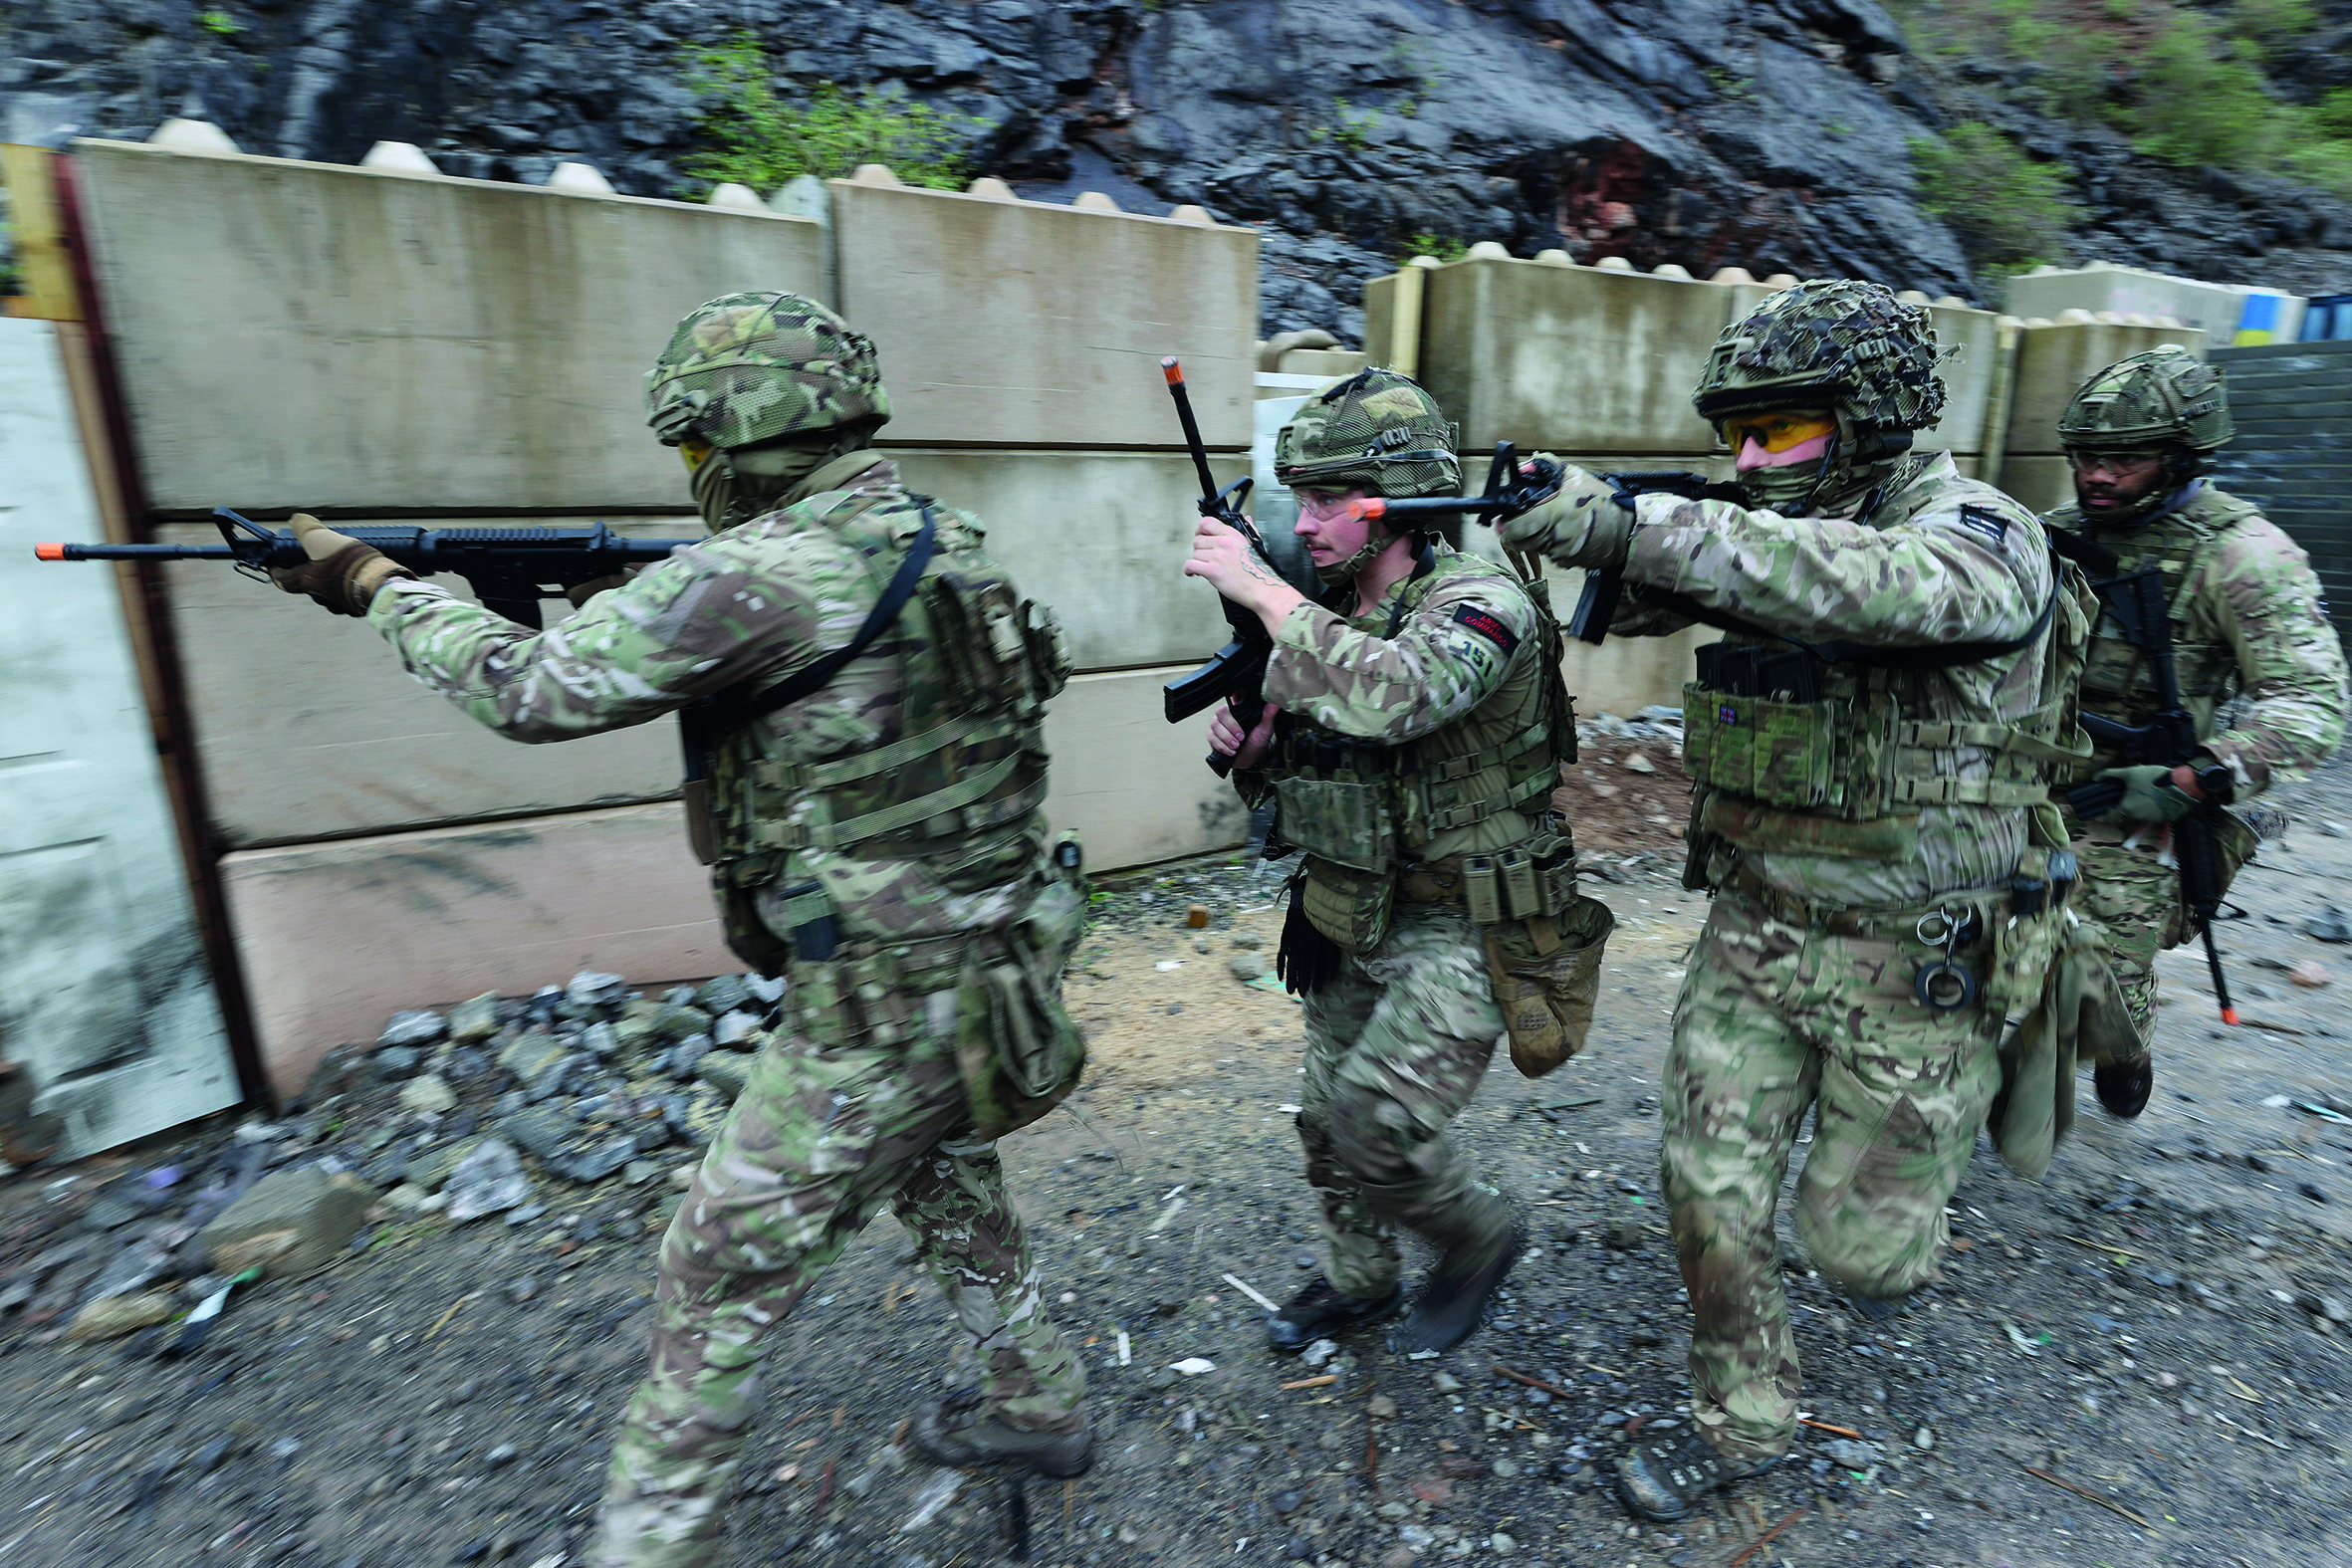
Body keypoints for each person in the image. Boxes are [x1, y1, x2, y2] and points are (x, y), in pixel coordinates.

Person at [268, 292, 1092, 1567]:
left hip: (876, 1012)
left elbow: (529, 689)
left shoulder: (754, 575)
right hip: (997, 969)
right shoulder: (942, 535)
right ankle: (1040, 1404)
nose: (691, 474)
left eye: (693, 448)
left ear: (733, 435)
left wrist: (375, 584)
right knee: (942, 1173)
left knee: (712, 1274)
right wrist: (627, 590)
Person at [1500, 280, 2086, 1522]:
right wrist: (1538, 513)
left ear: (1871, 417)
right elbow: (1681, 566)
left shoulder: (1979, 533)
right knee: (1705, 1188)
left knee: (1863, 1260)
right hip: (1757, 930)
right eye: (1739, 435)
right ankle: (1743, 1417)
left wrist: (1629, 527)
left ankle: (2014, 1055)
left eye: (1785, 430)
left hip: (1914, 956)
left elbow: (1856, 583)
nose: (1754, 459)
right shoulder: (1760, 528)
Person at [1184, 367, 1607, 1358]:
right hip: (1352, 903)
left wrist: (1261, 588)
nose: (1309, 518)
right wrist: (1258, 756)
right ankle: (1360, 1280)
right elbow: (1326, 770)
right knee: (1328, 1124)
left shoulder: (1479, 599)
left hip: (1471, 919)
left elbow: (1400, 695)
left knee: (1379, 1122)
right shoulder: (1331, 608)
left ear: (1404, 499)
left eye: (1331, 496)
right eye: (1299, 496)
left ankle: (1477, 1238)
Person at [2043, 345, 2348, 1116]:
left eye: (2128, 459)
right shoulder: (2048, 536)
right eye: (2085, 457)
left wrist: (2200, 778)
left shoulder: (2241, 555)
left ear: (2182, 458)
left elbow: (2311, 700)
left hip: (2149, 799)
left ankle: (2123, 1041)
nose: (2098, 476)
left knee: (2098, 975)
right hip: (2029, 776)